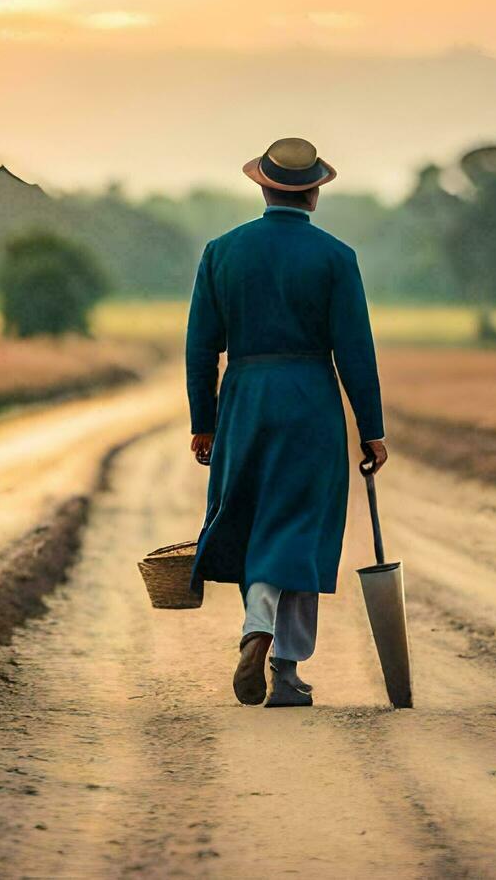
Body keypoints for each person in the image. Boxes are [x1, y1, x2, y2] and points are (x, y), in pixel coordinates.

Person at [186, 137, 387, 708]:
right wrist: (370, 427)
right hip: (310, 403)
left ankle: (258, 625)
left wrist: (204, 420)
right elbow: (356, 352)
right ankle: (285, 668)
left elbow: (201, 348)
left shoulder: (221, 252)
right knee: (301, 527)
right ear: (315, 193)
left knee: (255, 521)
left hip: (244, 401)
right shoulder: (336, 257)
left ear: (263, 187)